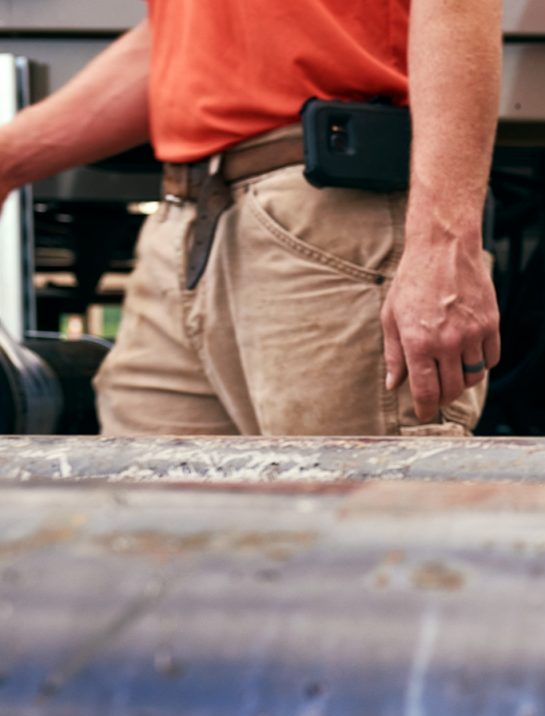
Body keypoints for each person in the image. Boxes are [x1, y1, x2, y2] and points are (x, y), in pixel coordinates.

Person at [0, 0, 500, 435]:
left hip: (322, 217)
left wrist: (444, 240)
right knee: (149, 525)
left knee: (365, 523)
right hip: (186, 223)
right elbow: (179, 45)